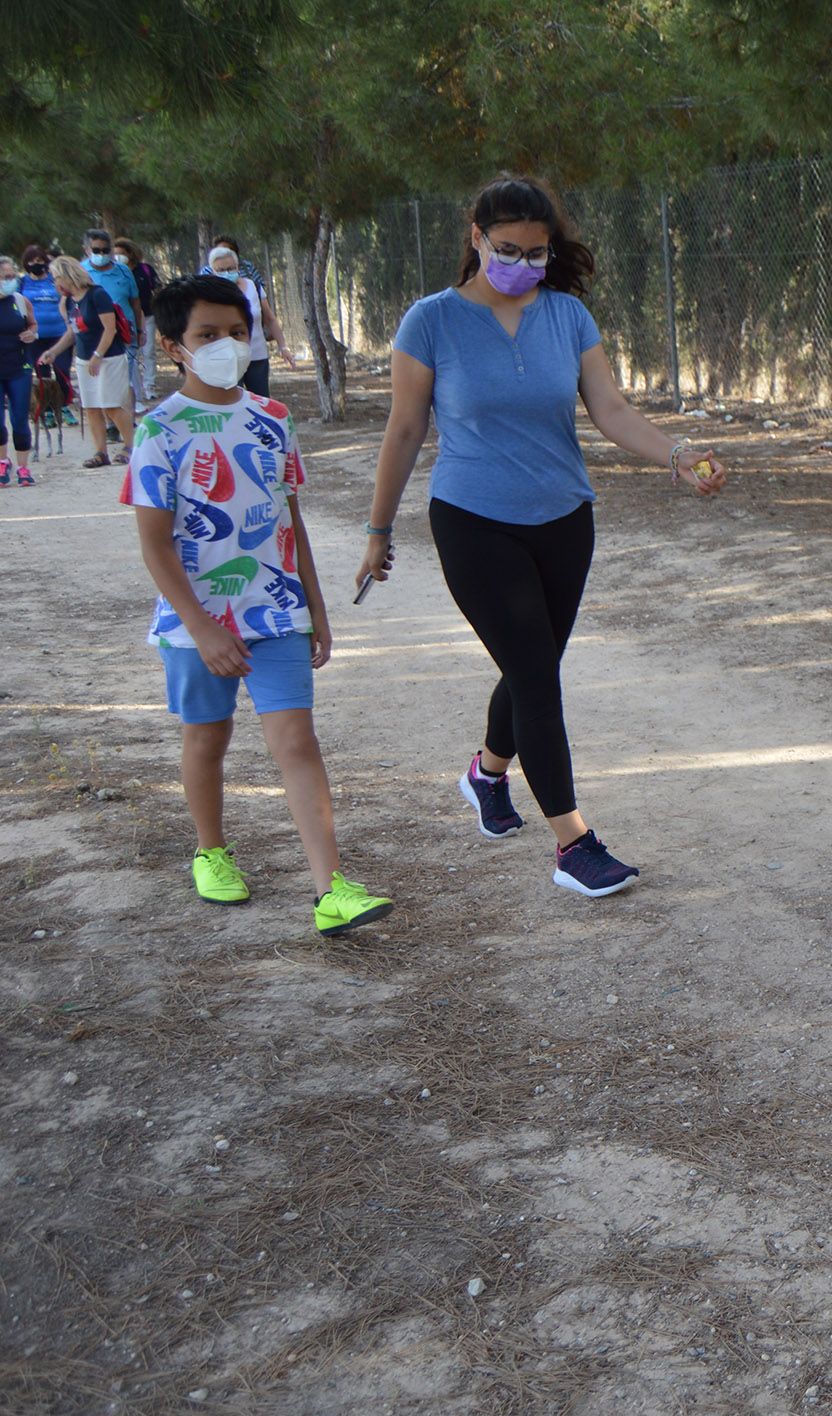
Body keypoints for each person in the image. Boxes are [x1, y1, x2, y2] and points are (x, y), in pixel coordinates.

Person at [359, 175, 727, 897]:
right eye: (508, 249)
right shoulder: (430, 321)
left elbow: (611, 409)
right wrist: (378, 530)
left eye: (536, 252)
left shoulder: (567, 317)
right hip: (473, 520)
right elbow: (404, 430)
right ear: (475, 237)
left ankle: (487, 773)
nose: (523, 264)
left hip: (565, 519)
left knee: (532, 666)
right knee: (535, 674)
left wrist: (676, 457)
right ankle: (574, 844)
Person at [119, 275, 394, 936]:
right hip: (196, 625)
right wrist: (200, 626)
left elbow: (289, 523)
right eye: (206, 335)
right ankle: (210, 853)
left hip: (275, 611)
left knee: (296, 739)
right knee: (207, 738)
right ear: (171, 346)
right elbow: (155, 546)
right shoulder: (158, 430)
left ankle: (331, 888)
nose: (226, 345)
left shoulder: (272, 419)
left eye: (237, 333)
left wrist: (315, 610)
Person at [37, 256, 129, 466]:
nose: (54, 283)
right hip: (84, 359)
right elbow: (73, 331)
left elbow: (110, 328)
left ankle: (130, 446)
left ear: (66, 275)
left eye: (56, 277)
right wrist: (54, 351)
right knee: (91, 407)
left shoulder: (97, 295)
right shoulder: (70, 300)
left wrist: (98, 355)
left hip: (109, 357)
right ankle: (101, 452)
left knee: (111, 406)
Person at [206, 246, 294, 397]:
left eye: (230, 268)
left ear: (238, 267)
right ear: (213, 271)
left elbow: (270, 319)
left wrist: (283, 347)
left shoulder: (254, 287)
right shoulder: (208, 293)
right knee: (232, 401)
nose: (226, 273)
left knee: (261, 400)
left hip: (256, 355)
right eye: (221, 270)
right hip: (227, 359)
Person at [80, 229, 139, 441]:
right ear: (86, 250)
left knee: (123, 381)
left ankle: (125, 425)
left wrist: (140, 330)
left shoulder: (124, 271)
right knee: (99, 387)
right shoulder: (81, 272)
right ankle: (112, 424)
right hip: (92, 338)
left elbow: (135, 301)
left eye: (106, 250)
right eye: (97, 250)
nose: (102, 253)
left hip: (122, 334)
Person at [19, 244, 73, 399]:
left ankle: (65, 405)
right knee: (43, 374)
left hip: (60, 334)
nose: (36, 264)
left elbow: (68, 300)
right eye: (31, 262)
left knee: (62, 370)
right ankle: (47, 409)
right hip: (36, 336)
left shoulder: (55, 280)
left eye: (39, 260)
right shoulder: (22, 283)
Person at [0, 256, 35, 485]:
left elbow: (33, 324)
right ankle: (3, 462)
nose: (11, 281)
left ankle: (23, 467)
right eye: (5, 277)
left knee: (20, 418)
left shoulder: (20, 301)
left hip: (19, 367)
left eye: (13, 276)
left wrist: (32, 333)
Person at [114, 238, 160, 408]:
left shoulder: (145, 270)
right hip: (124, 320)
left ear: (130, 253)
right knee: (131, 356)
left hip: (147, 316)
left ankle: (150, 385)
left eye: (122, 254)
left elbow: (156, 290)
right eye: (115, 254)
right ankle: (136, 392)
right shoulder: (116, 271)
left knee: (148, 352)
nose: (118, 257)